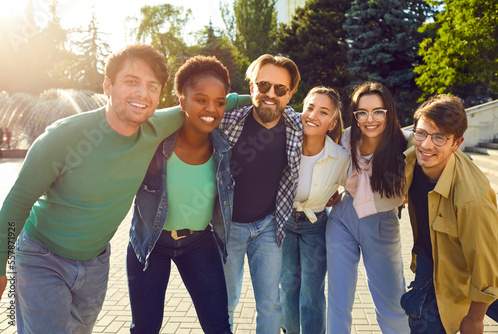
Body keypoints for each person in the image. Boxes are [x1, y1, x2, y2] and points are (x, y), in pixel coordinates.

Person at [0, 43, 247, 333]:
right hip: (42, 257)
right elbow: (17, 203)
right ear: (108, 85)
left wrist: (261, 97)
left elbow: (217, 102)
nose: (142, 93)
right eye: (131, 82)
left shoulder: (157, 126)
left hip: (95, 263)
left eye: (152, 86)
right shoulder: (63, 137)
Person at [126, 55, 235, 334]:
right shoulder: (155, 142)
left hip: (199, 243)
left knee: (219, 326)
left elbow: (247, 102)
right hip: (151, 243)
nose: (211, 109)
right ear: (182, 101)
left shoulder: (223, 148)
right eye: (201, 99)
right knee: (145, 329)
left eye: (219, 102)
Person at [401, 94, 498, 333]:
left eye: (439, 137)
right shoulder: (412, 154)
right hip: (433, 257)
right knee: (421, 316)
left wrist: (475, 318)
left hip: (483, 267)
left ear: (456, 143)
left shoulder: (471, 199)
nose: (426, 144)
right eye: (421, 133)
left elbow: (486, 268)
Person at [217, 54, 302, 333]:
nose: (270, 94)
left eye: (280, 89)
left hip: (269, 227)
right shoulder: (226, 121)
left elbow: (337, 136)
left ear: (289, 95)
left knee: (270, 304)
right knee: (224, 302)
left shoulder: (296, 126)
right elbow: (193, 108)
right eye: (263, 85)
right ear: (251, 87)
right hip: (228, 229)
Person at [326, 82, 409, 333]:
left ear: (389, 112)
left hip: (382, 223)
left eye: (378, 112)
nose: (369, 119)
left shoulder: (406, 143)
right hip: (343, 217)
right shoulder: (349, 137)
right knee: (338, 300)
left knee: (393, 304)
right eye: (362, 112)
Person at [279, 87, 350, 334]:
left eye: (323, 112)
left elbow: (352, 188)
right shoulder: (284, 144)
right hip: (284, 223)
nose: (313, 115)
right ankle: (289, 330)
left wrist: (335, 195)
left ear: (331, 123)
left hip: (316, 225)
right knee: (288, 284)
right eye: (309, 107)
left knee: (311, 291)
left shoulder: (340, 157)